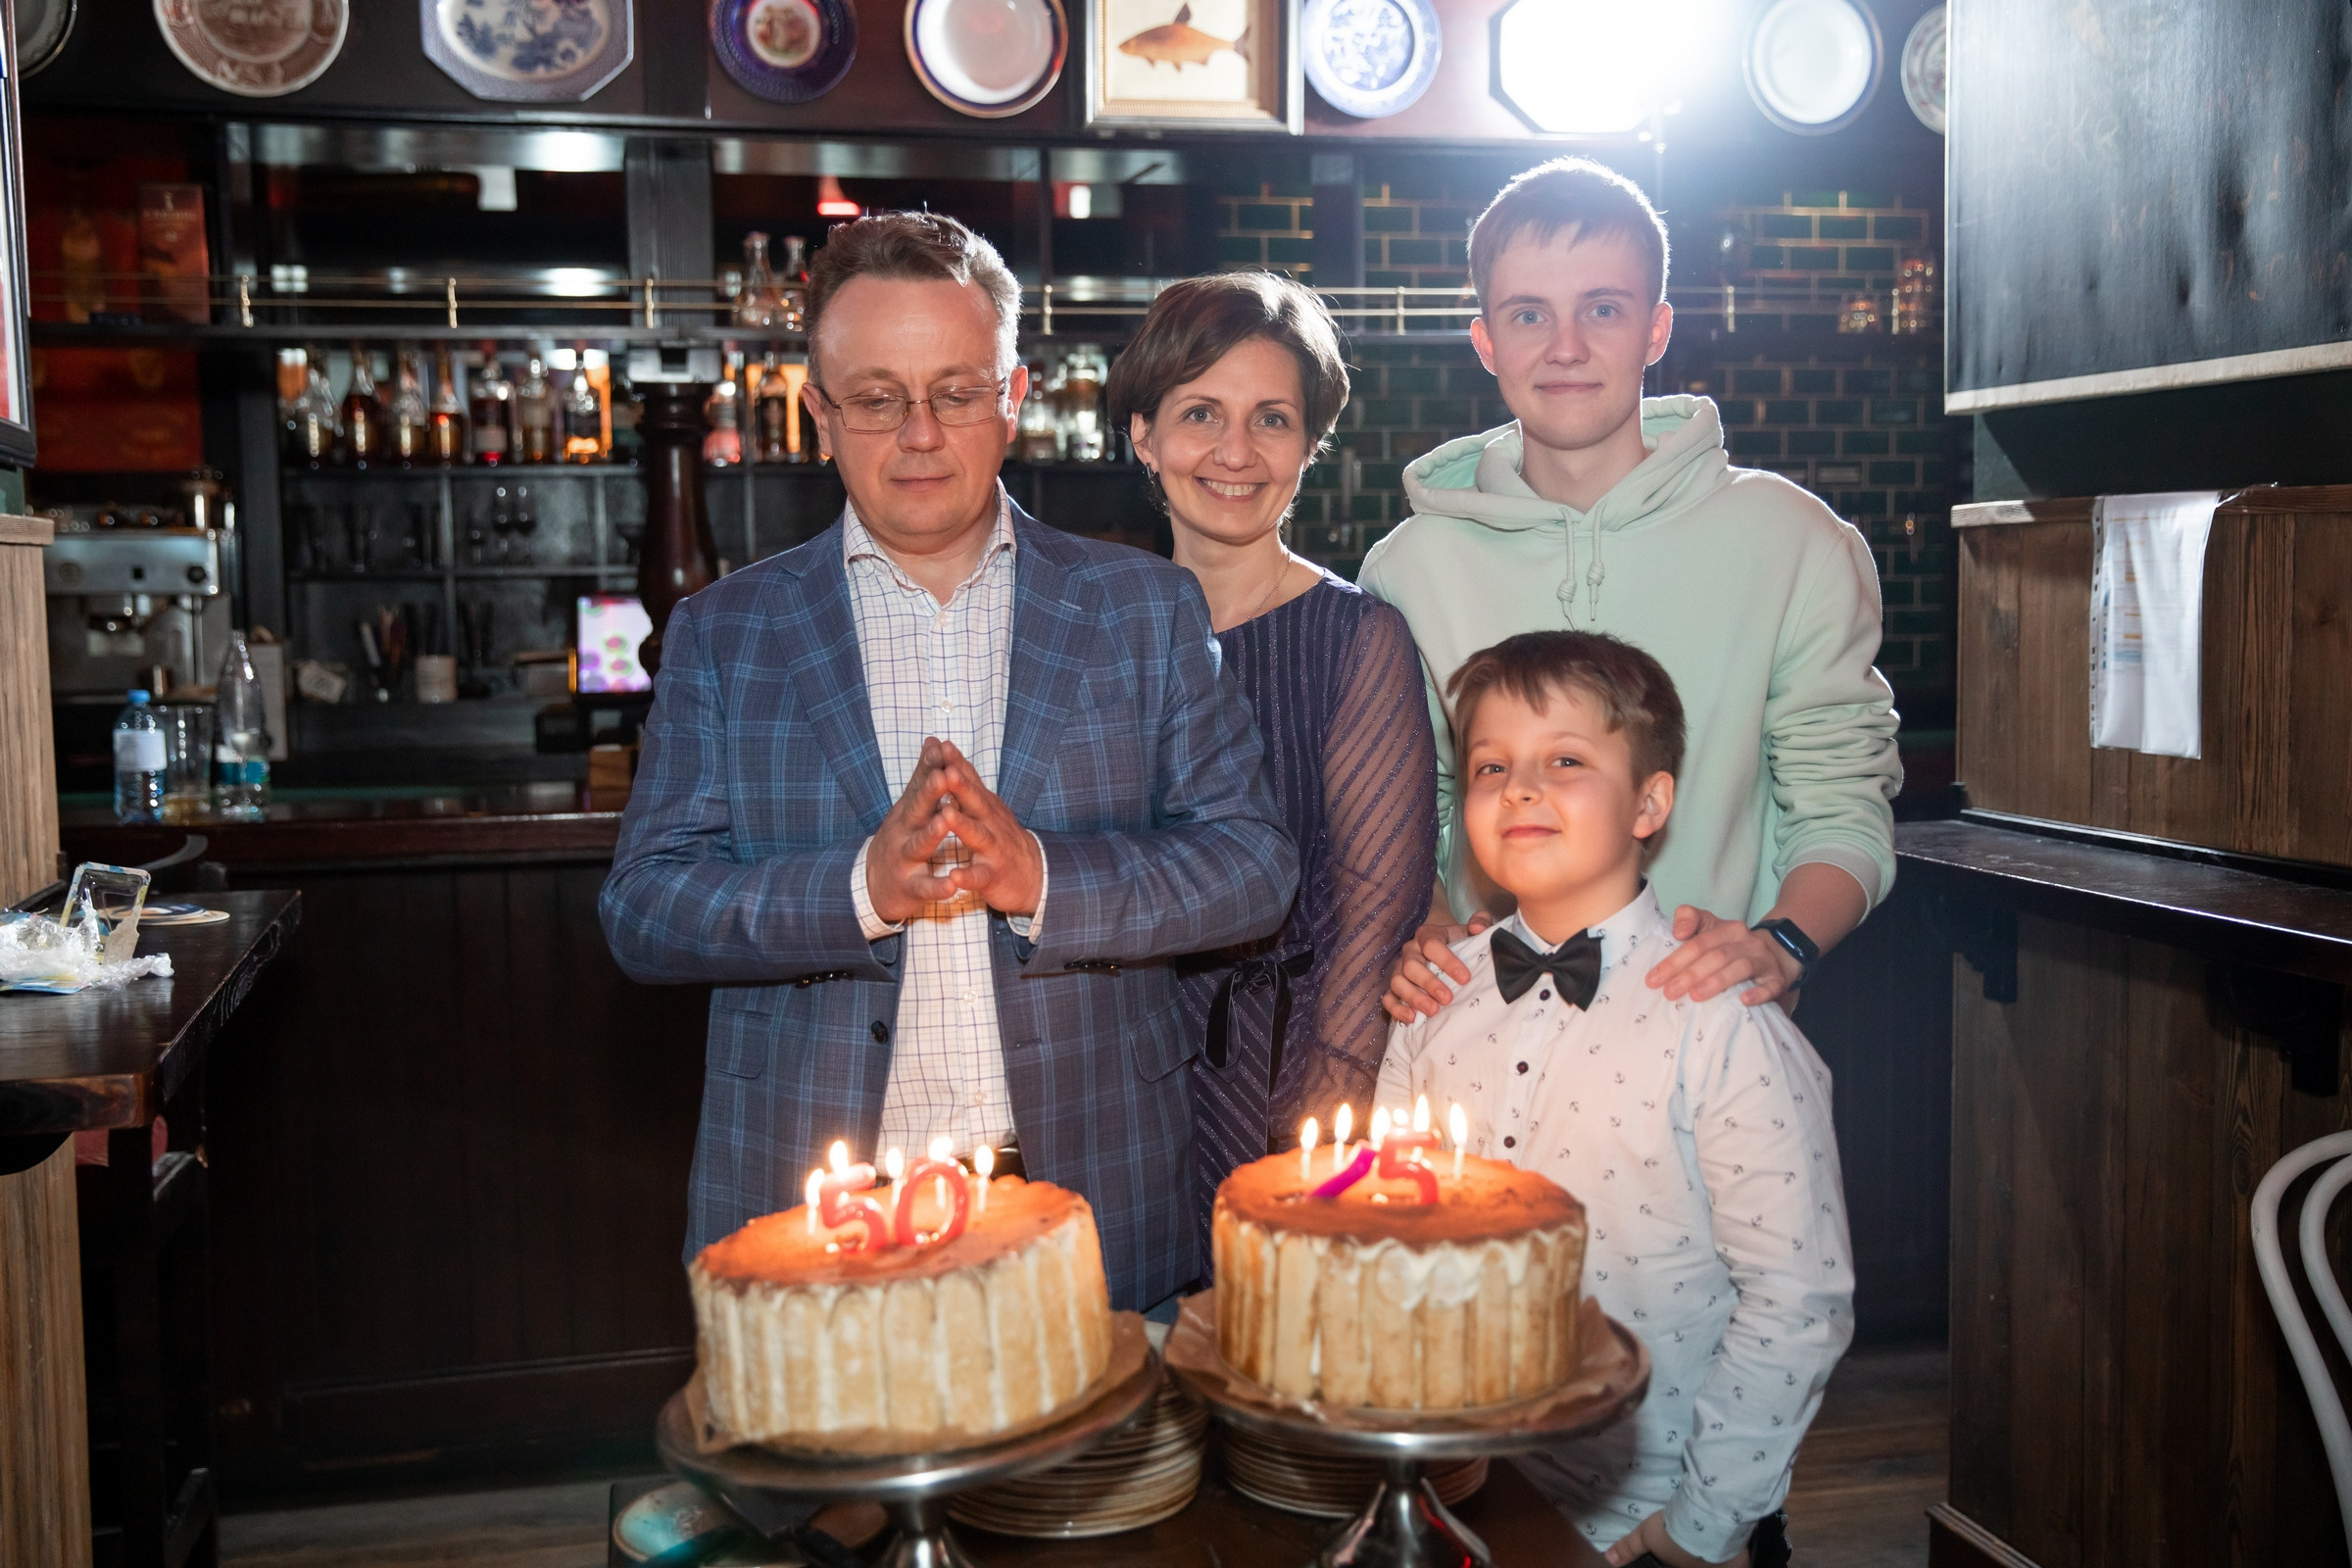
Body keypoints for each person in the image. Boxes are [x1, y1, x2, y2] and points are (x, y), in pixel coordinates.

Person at [599, 212, 1299, 1313]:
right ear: (821, 416)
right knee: (833, 1494)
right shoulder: (726, 632)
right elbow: (643, 909)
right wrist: (857, 891)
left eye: (957, 392)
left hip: (1086, 1194)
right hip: (817, 1205)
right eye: (877, 398)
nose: (919, 433)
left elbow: (1254, 867)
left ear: (1012, 398)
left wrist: (1044, 878)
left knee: (1087, 1494)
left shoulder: (1141, 609)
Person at [1362, 158, 1900, 1022]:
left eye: (1602, 309)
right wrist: (1424, 921)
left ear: (1656, 330)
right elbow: (1401, 813)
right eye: (1529, 314)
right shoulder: (1407, 567)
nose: (1566, 347)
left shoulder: (1793, 538)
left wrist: (1782, 942)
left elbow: (1843, 800)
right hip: (1476, 1038)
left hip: (1710, 1039)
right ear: (1486, 341)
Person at [1379, 630, 1850, 1568]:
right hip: (1465, 1490)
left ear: (1650, 802)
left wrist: (1697, 1528)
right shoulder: (1431, 1001)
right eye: (1489, 766)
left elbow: (1798, 1299)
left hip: (1655, 1512)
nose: (1519, 787)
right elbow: (1394, 1239)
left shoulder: (1719, 1020)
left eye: (1565, 761)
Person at [1105, 272, 1438, 1271]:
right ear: (1142, 435)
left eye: (1272, 419)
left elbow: (1379, 900)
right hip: (1114, 1063)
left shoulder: (1358, 636)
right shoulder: (1092, 635)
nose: (1236, 452)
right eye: (1201, 413)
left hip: (1287, 1061)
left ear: (1308, 444)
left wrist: (1326, 1093)